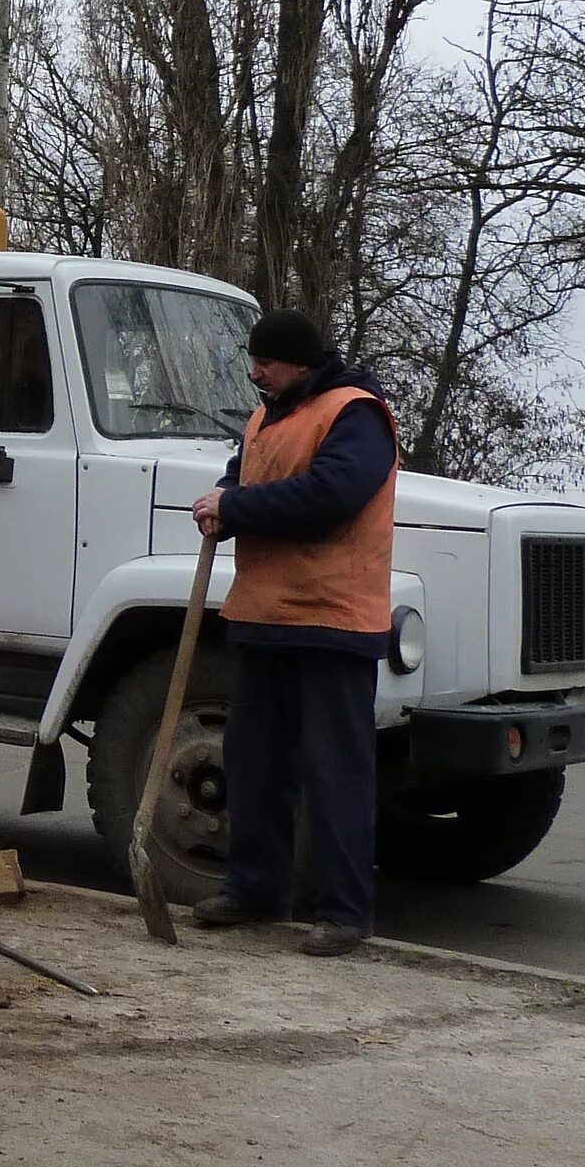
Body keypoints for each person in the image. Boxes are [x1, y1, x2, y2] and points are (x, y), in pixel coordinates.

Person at [185, 309, 398, 957]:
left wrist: (238, 507)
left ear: (298, 363)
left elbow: (330, 496)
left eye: (266, 363)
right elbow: (244, 475)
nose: (255, 373)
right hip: (266, 614)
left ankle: (344, 910)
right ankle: (255, 889)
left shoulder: (355, 414)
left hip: (333, 619)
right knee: (255, 764)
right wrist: (221, 496)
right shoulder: (266, 415)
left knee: (335, 770)